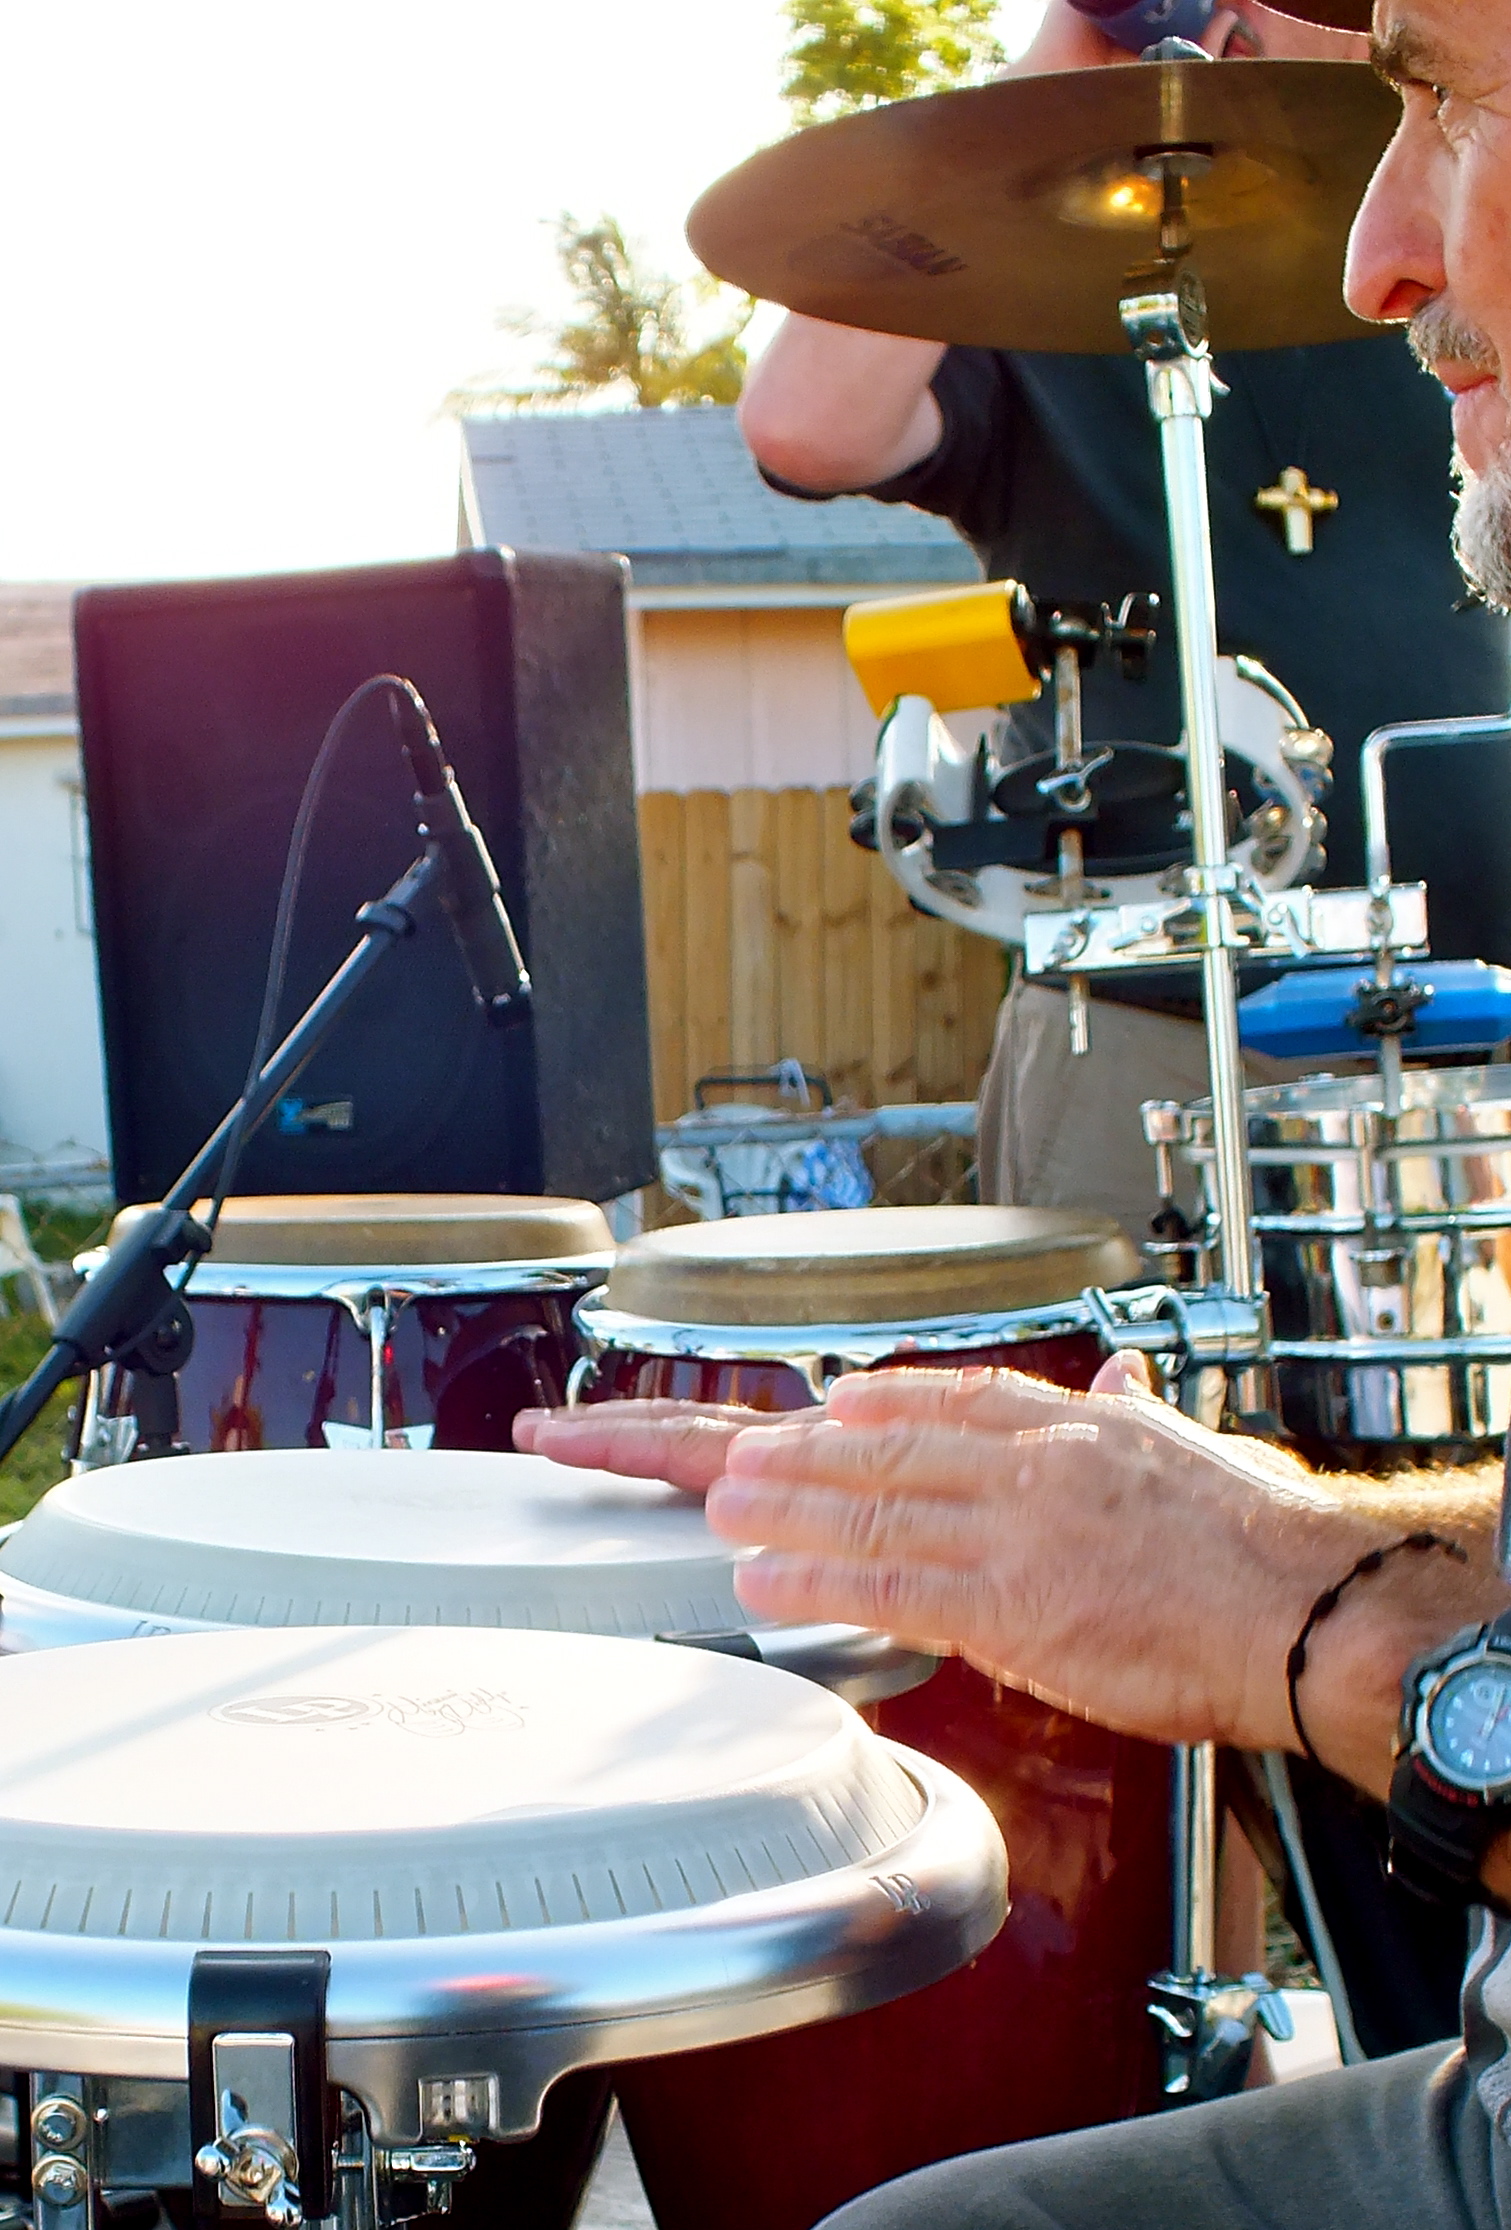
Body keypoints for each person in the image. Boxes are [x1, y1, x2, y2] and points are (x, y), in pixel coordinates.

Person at [514, 17, 1511, 2219]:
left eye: (1444, 94)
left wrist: (1331, 1612)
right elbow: (803, 415)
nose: (1377, 253)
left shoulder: (1368, 222)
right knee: (1126, 1648)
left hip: (1454, 992)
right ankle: (1181, 1978)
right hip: (1154, 1003)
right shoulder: (1057, 236)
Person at [737, 0, 1511, 1248]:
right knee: (1104, 1419)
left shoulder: (1449, 254)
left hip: (1472, 1011)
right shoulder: (1043, 286)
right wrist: (1084, 46)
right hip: (1135, 1026)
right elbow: (800, 424)